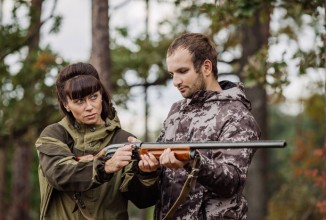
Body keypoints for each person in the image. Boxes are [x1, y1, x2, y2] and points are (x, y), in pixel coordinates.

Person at [154, 33, 261, 219]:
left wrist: (191, 160)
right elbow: (160, 171)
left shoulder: (237, 114)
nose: (175, 82)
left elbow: (232, 181)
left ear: (206, 67)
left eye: (182, 71)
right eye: (172, 74)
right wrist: (145, 168)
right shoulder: (176, 111)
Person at [35, 62, 159, 219]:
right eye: (79, 101)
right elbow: (59, 174)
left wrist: (147, 174)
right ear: (66, 105)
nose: (89, 107)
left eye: (93, 97)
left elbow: (143, 200)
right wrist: (105, 166)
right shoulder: (54, 134)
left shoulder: (124, 139)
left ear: (101, 96)